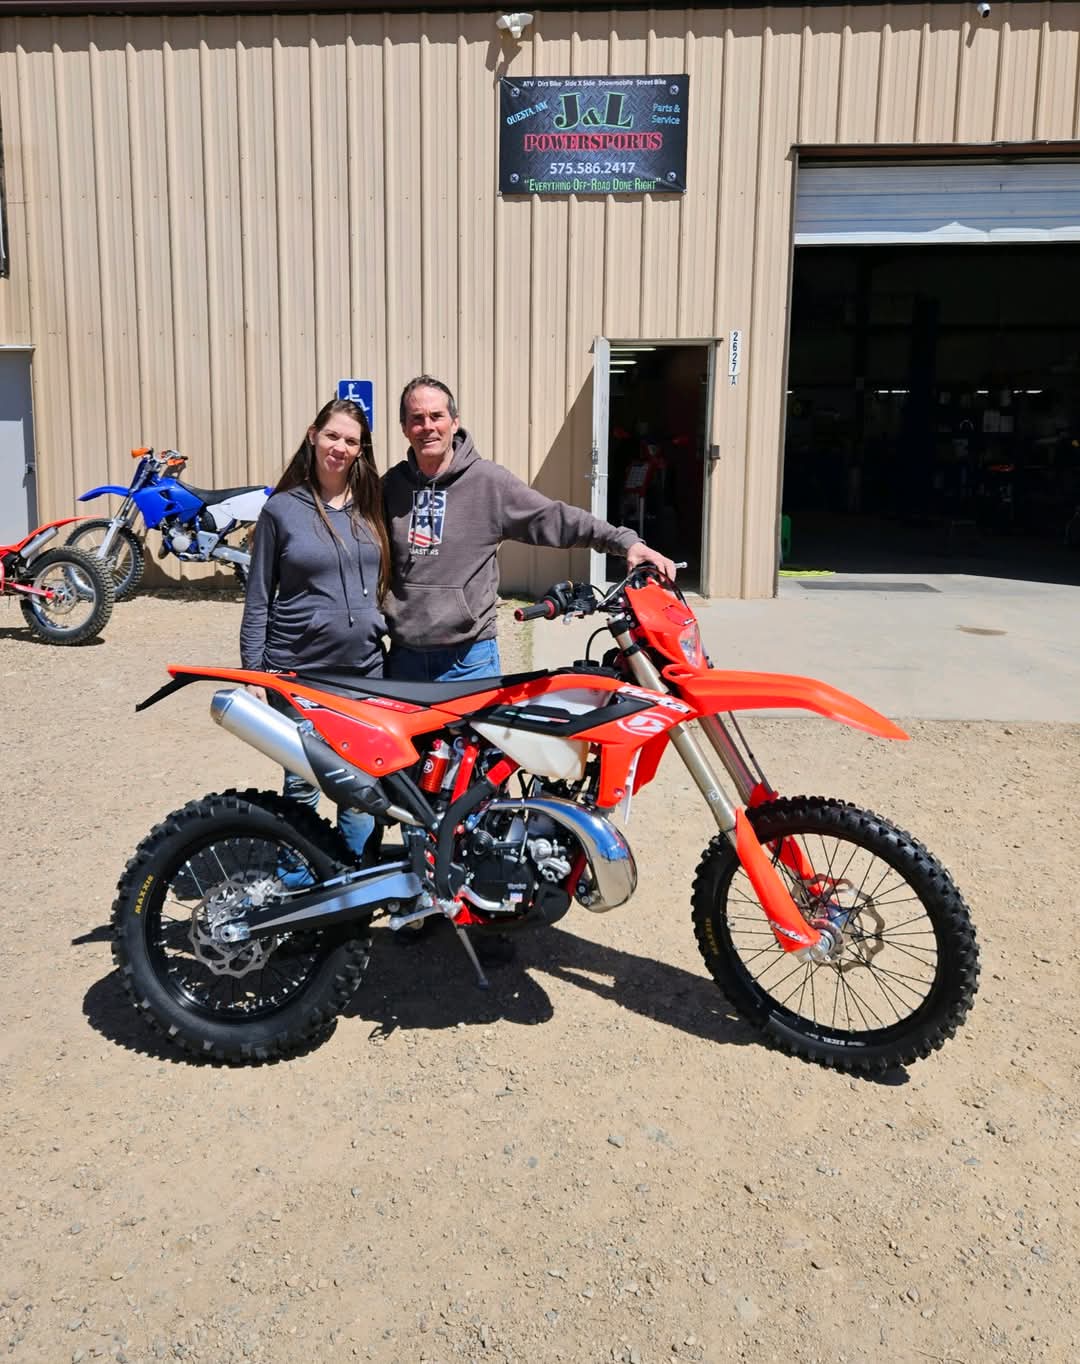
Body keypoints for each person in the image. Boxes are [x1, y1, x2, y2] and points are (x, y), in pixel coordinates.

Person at [383, 375, 678, 682]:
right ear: (404, 427)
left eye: (437, 416)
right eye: (417, 419)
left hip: (468, 661)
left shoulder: (488, 483)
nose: (427, 426)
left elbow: (553, 517)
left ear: (454, 422)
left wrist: (626, 541)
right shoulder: (391, 487)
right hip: (404, 659)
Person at [239, 397, 390, 859]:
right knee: (303, 785)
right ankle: (298, 878)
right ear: (313, 435)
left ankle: (354, 882)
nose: (339, 447)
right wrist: (253, 671)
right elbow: (259, 596)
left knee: (359, 788)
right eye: (332, 436)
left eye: (351, 441)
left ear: (361, 450)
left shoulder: (372, 507)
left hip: (364, 674)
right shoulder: (281, 510)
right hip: (299, 672)